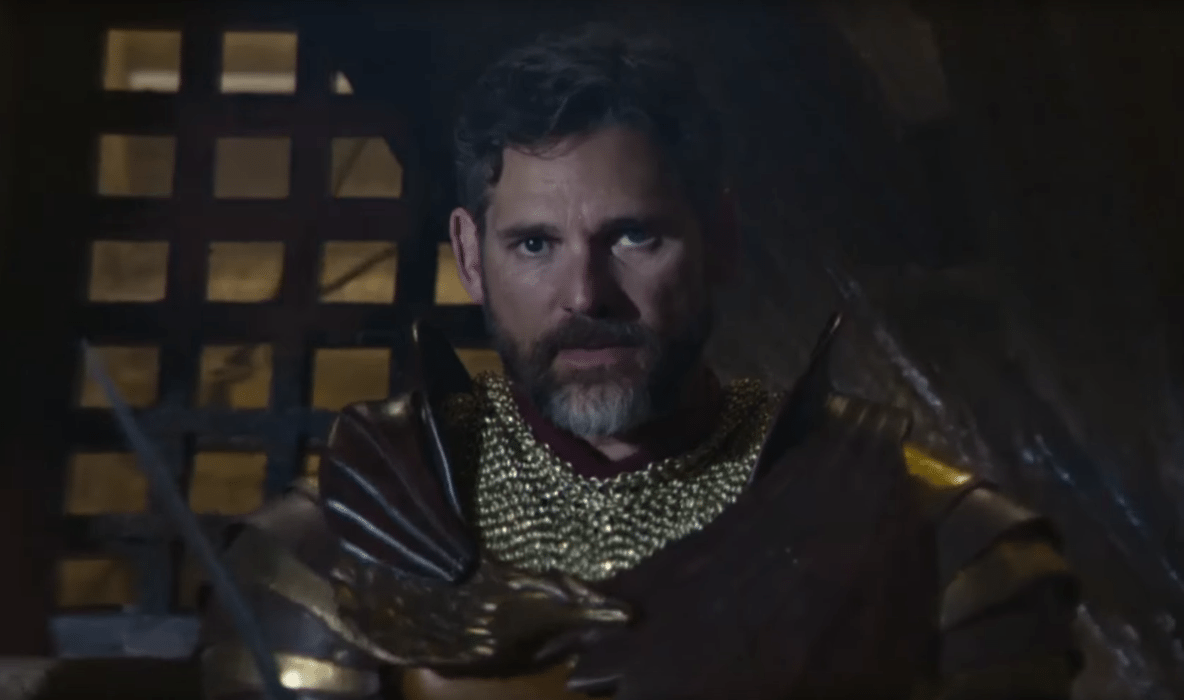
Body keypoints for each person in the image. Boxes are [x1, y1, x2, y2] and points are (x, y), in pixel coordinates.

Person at [198, 24, 1082, 700]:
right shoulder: (335, 548)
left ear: (720, 239)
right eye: (535, 244)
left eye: (633, 237)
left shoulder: (940, 544)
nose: (586, 295)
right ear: (470, 256)